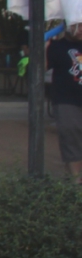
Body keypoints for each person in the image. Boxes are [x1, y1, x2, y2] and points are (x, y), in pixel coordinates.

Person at [47, 24, 82, 178]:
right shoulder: (56, 46)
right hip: (66, 98)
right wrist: (42, 49)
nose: (80, 29)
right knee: (70, 132)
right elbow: (39, 69)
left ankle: (72, 175)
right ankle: (76, 178)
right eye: (77, 25)